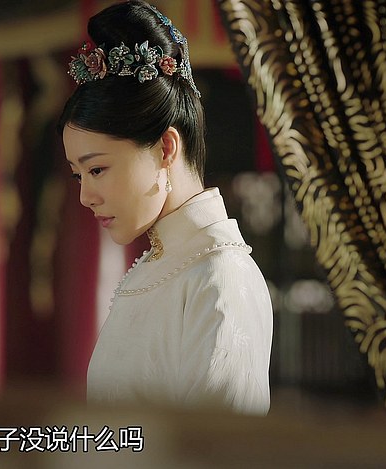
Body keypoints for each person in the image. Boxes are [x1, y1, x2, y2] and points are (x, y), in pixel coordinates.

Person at [58, 0, 272, 415]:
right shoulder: (162, 267)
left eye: (97, 169)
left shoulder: (219, 278)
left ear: (166, 148)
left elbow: (219, 446)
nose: (86, 196)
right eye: (78, 176)